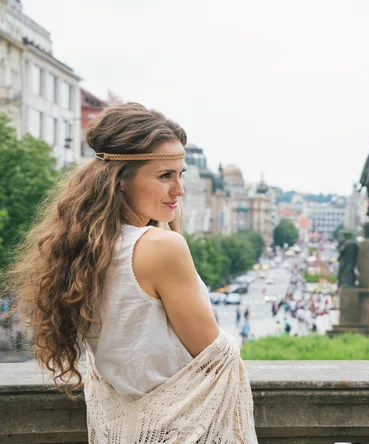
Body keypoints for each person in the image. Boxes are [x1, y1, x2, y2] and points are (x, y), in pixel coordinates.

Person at [5, 103, 257, 442]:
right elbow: (213, 355)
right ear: (120, 180)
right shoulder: (160, 248)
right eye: (165, 176)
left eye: (180, 174)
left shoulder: (84, 249)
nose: (178, 190)